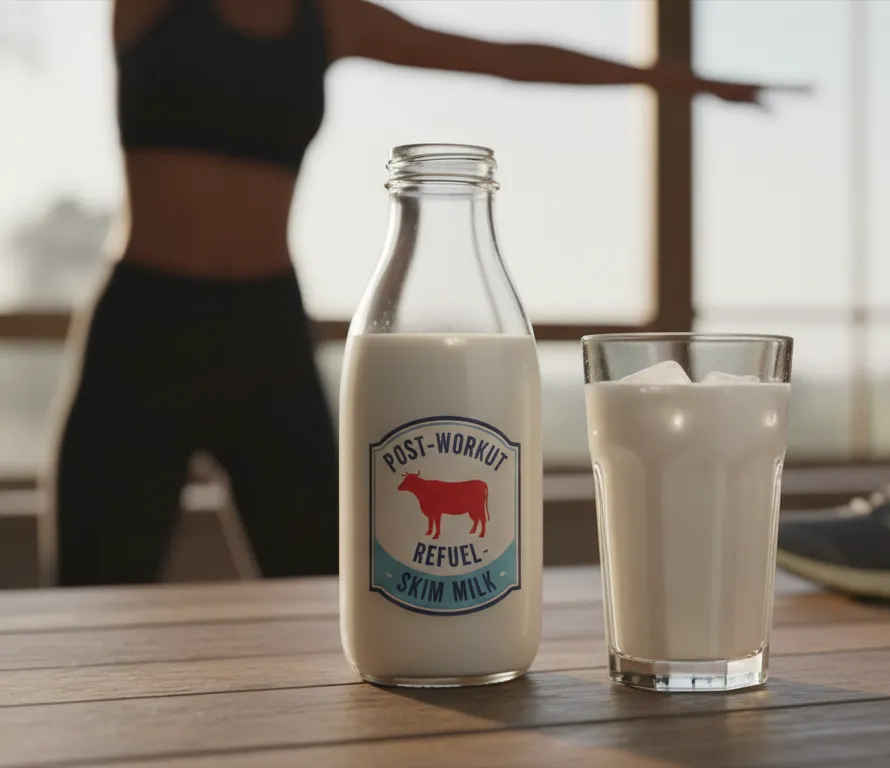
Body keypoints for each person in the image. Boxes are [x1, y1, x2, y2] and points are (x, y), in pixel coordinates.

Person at [44, 0, 768, 586]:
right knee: (94, 585)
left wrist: (666, 79)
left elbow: (503, 59)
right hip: (143, 331)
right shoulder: (150, 7)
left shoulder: (327, 17)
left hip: (262, 333)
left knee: (327, 580)